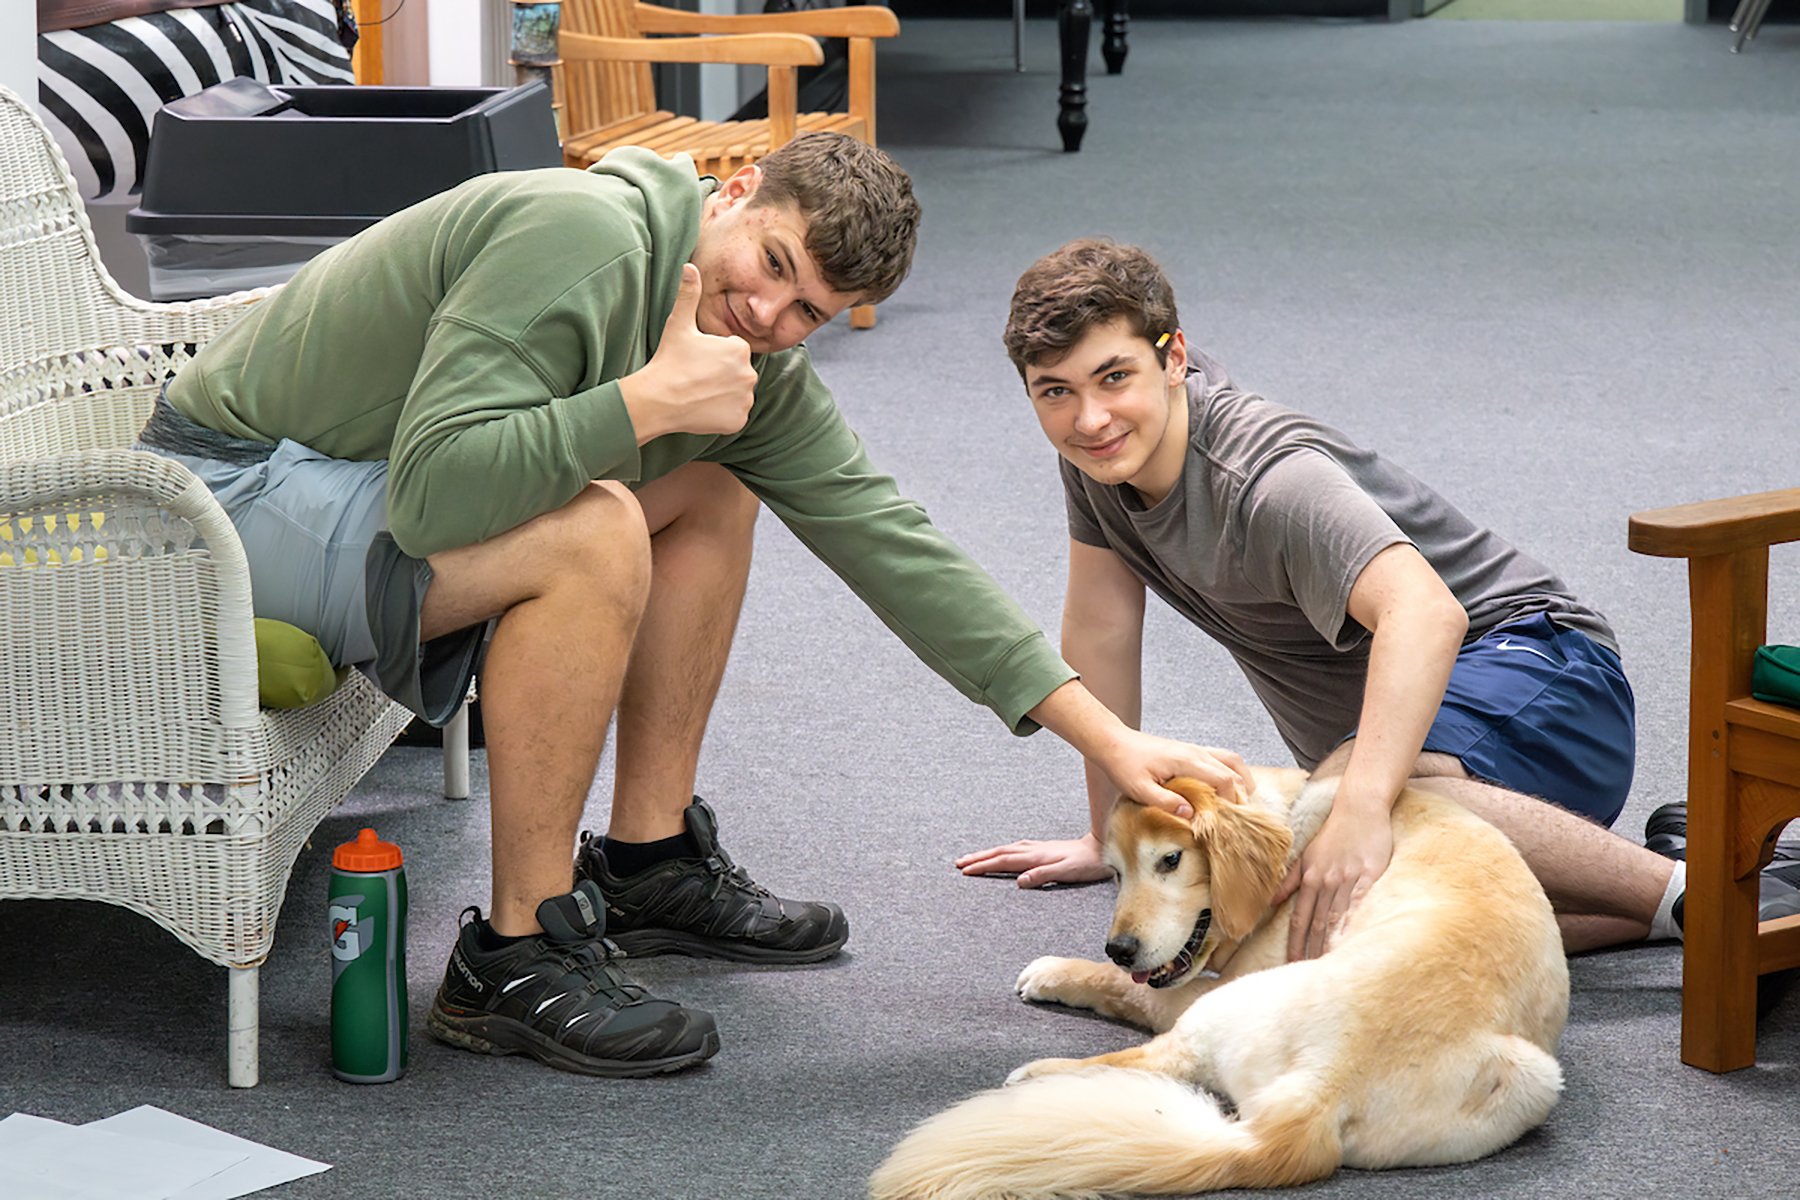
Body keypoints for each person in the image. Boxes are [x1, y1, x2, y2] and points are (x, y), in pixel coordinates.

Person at [137, 138, 1253, 1078]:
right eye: (770, 263)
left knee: (713, 489)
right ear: (731, 196)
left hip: (349, 490)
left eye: (808, 309)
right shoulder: (581, 238)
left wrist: (1107, 738)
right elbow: (433, 498)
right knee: (598, 528)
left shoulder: (753, 364)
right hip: (227, 499)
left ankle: (648, 860)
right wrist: (642, 405)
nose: (768, 312)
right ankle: (512, 955)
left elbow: (897, 548)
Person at [956, 237, 1800, 960]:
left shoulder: (1267, 479)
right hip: (1445, 760)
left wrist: (1359, 806)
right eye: (1055, 391)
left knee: (1325, 835)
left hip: (1547, 676)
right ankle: (1663, 896)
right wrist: (1111, 843)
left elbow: (1429, 613)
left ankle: (1710, 902)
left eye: (1114, 378)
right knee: (1307, 930)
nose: (1091, 417)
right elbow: (1101, 632)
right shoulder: (1100, 460)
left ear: (1174, 357)